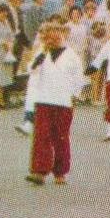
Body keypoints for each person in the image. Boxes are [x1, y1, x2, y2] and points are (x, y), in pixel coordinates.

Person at [23, 21, 85, 185]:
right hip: (43, 99)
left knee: (61, 137)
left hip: (63, 101)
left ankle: (60, 172)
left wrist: (74, 95)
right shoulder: (42, 53)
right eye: (47, 37)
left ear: (60, 36)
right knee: (41, 136)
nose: (51, 40)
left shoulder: (71, 55)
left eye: (53, 36)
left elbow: (78, 77)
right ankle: (39, 172)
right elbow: (31, 69)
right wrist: (42, 53)